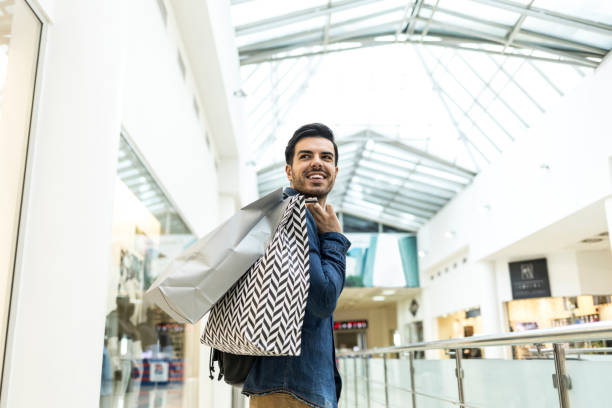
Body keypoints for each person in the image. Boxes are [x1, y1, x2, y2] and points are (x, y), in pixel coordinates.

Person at [242, 123, 351, 408]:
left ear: (336, 171)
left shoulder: (302, 216)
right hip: (291, 389)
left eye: (326, 157)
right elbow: (323, 298)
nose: (317, 161)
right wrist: (335, 238)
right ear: (289, 171)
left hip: (288, 386)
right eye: (306, 156)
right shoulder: (295, 216)